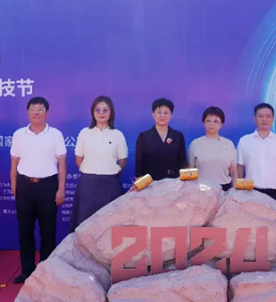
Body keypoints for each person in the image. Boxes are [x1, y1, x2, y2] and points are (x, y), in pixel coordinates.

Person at [11, 96, 67, 284]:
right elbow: (14, 162)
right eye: (33, 109)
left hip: (48, 186)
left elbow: (62, 164)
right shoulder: (19, 134)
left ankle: (46, 272)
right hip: (24, 186)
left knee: (48, 231)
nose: (37, 112)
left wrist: (61, 189)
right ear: (28, 112)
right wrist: (14, 185)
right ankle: (27, 270)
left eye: (40, 109)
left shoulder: (55, 134)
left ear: (47, 113)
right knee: (25, 231)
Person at [71, 96, 127, 232]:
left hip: (111, 184)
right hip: (88, 184)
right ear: (93, 112)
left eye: (105, 110)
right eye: (98, 110)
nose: (101, 113)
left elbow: (122, 160)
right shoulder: (85, 133)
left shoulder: (117, 134)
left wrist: (110, 171)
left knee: (110, 224)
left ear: (111, 112)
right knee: (84, 225)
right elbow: (79, 159)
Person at [237, 103, 276, 204]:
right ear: (254, 118)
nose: (264, 119)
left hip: (275, 192)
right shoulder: (244, 141)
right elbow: (240, 168)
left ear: (273, 118)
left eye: (268, 116)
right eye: (260, 116)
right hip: (250, 191)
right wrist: (240, 191)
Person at [134, 98, 187, 181]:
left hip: (174, 182)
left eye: (166, 113)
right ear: (153, 115)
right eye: (159, 112)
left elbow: (182, 163)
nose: (162, 115)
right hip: (151, 183)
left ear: (171, 115)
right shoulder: (144, 137)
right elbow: (139, 164)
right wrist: (139, 180)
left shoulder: (178, 136)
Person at [188, 106, 237, 190]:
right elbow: (191, 170)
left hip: (224, 188)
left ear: (221, 124)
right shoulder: (195, 144)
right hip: (201, 189)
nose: (212, 124)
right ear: (203, 123)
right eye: (208, 120)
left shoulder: (228, 144)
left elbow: (233, 171)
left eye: (216, 121)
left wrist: (236, 190)